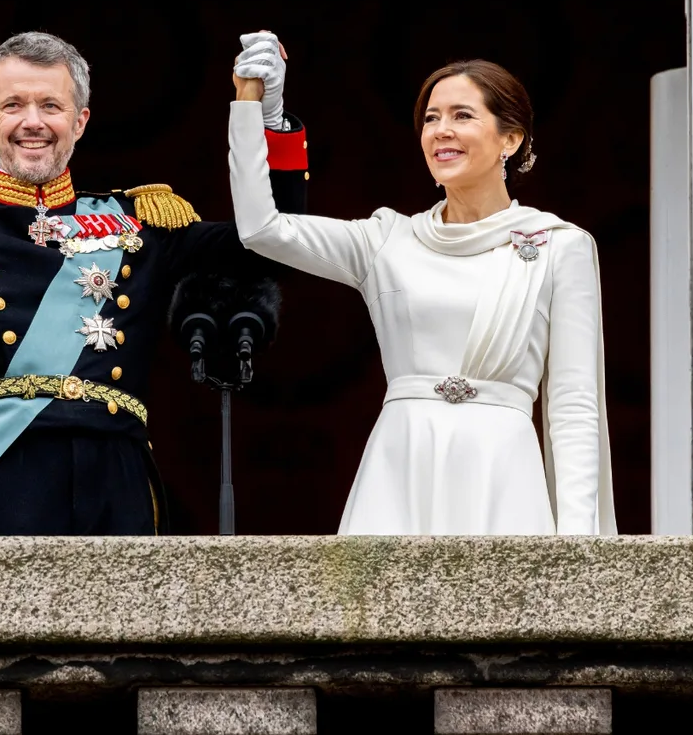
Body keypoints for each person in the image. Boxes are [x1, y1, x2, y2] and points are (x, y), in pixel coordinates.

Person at [0, 12, 308, 537]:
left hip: (118, 481)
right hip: (0, 482)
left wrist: (269, 123)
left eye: (50, 105)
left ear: (80, 120)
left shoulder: (144, 222)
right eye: (12, 105)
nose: (32, 122)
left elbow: (272, 244)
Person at [228, 36, 615, 535]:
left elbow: (574, 405)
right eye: (431, 118)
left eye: (461, 116)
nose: (441, 131)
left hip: (503, 471)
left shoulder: (560, 246)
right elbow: (262, 228)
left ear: (510, 140)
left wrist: (580, 543)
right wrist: (256, 111)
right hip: (400, 465)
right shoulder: (388, 239)